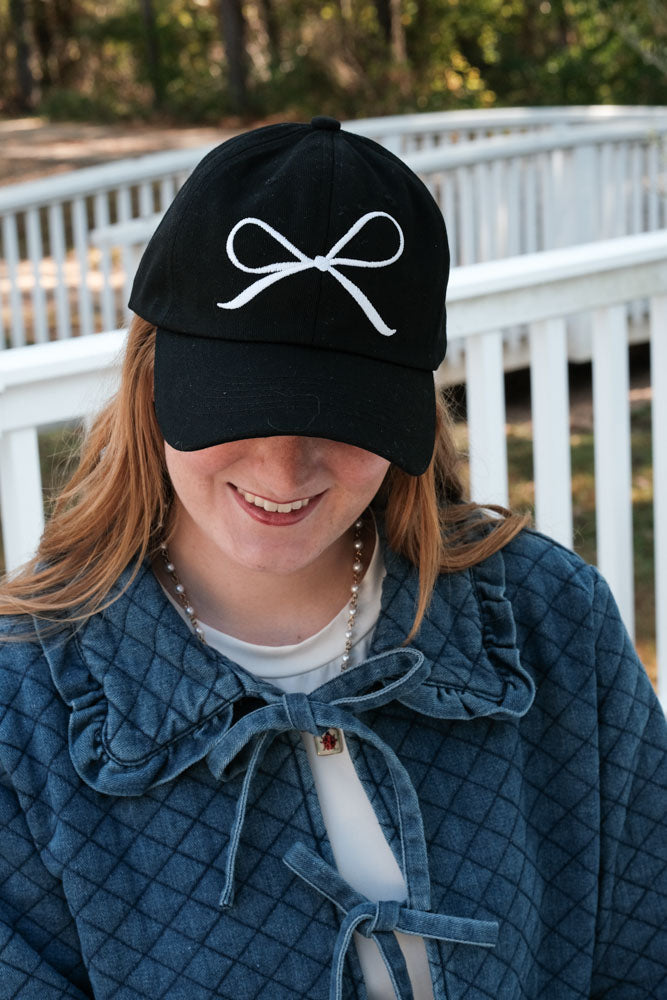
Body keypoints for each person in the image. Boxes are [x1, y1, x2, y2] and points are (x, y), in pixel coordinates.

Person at [0, 116, 664, 1000]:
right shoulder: (25, 708)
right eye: (238, 410)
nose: (282, 471)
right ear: (150, 380)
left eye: (341, 417)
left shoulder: (551, 619)